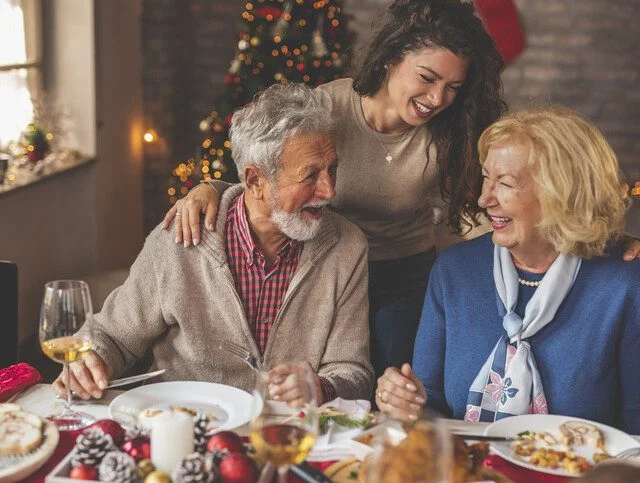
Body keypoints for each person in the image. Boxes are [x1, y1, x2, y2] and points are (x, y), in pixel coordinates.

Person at [162, 0, 508, 379]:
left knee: (393, 383)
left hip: (401, 276)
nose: (438, 98)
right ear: (392, 59)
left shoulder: (451, 131)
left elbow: (480, 208)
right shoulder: (327, 108)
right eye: (427, 78)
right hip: (325, 268)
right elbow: (264, 177)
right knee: (321, 381)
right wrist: (208, 187)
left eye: (452, 87)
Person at [53, 83, 374, 406]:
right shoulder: (180, 238)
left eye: (332, 169)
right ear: (254, 181)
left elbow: (353, 371)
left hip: (282, 437)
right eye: (310, 175)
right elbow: (113, 336)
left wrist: (323, 387)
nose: (329, 190)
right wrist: (89, 359)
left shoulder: (347, 248)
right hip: (183, 428)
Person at [374, 107, 640, 434]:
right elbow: (431, 402)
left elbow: (635, 431)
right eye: (486, 178)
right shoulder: (456, 271)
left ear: (561, 192)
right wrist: (405, 401)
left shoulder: (624, 285)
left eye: (505, 184)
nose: (485, 199)